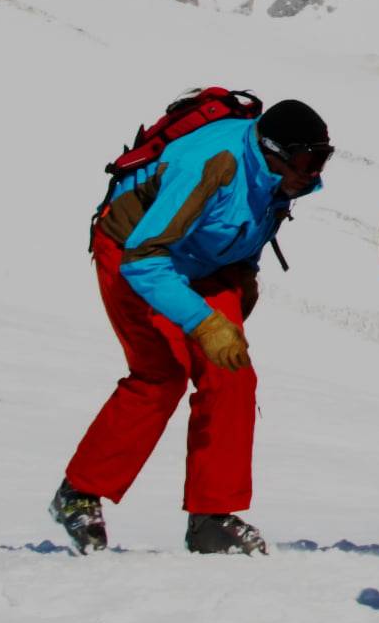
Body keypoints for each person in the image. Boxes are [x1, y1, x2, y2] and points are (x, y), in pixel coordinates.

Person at [53, 95, 335, 555]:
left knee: (232, 374)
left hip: (203, 262)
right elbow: (144, 259)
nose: (315, 170)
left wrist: (244, 272)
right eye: (308, 158)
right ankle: (79, 493)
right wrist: (203, 322)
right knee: (160, 374)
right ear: (273, 151)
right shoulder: (209, 164)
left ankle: (213, 518)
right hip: (135, 253)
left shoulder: (281, 178)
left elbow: (244, 220)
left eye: (322, 158)